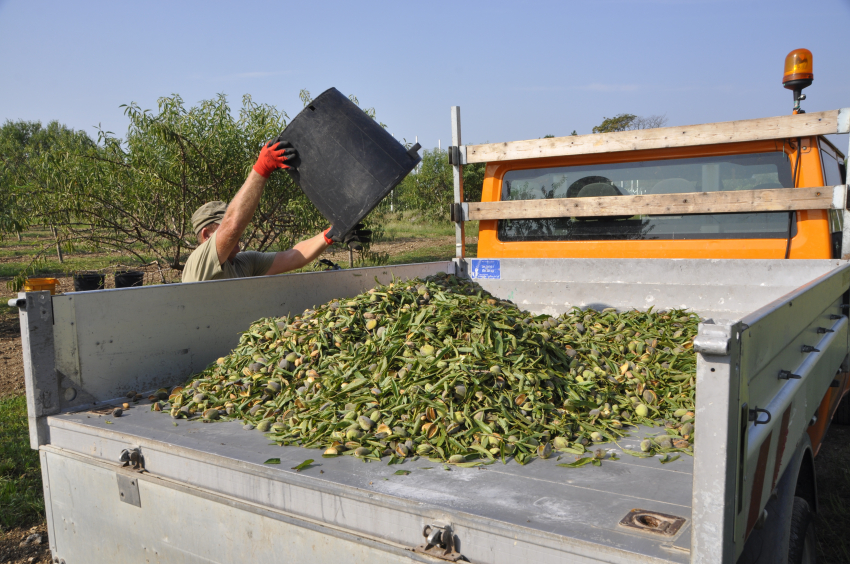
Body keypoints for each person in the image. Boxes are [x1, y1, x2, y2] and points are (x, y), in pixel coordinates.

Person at [182, 140, 370, 283]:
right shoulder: (200, 263)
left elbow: (292, 257)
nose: (238, 235)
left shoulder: (244, 263)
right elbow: (233, 224)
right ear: (207, 235)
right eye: (223, 228)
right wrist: (262, 168)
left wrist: (331, 234)